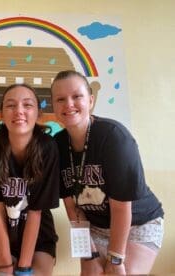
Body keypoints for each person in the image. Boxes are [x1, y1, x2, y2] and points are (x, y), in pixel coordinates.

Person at [51, 70, 164, 275]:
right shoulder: (56, 146)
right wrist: (90, 255)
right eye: (60, 99)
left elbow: (122, 208)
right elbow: (73, 210)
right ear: (54, 106)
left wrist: (115, 258)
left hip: (138, 223)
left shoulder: (113, 137)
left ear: (91, 100)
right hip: (95, 227)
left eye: (77, 96)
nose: (68, 104)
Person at [0, 83, 59, 276]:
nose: (19, 111)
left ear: (38, 113)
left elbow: (36, 212)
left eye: (27, 105)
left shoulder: (48, 147)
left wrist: (23, 268)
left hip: (38, 236)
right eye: (10, 105)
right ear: (2, 114)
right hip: (2, 231)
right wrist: (5, 266)